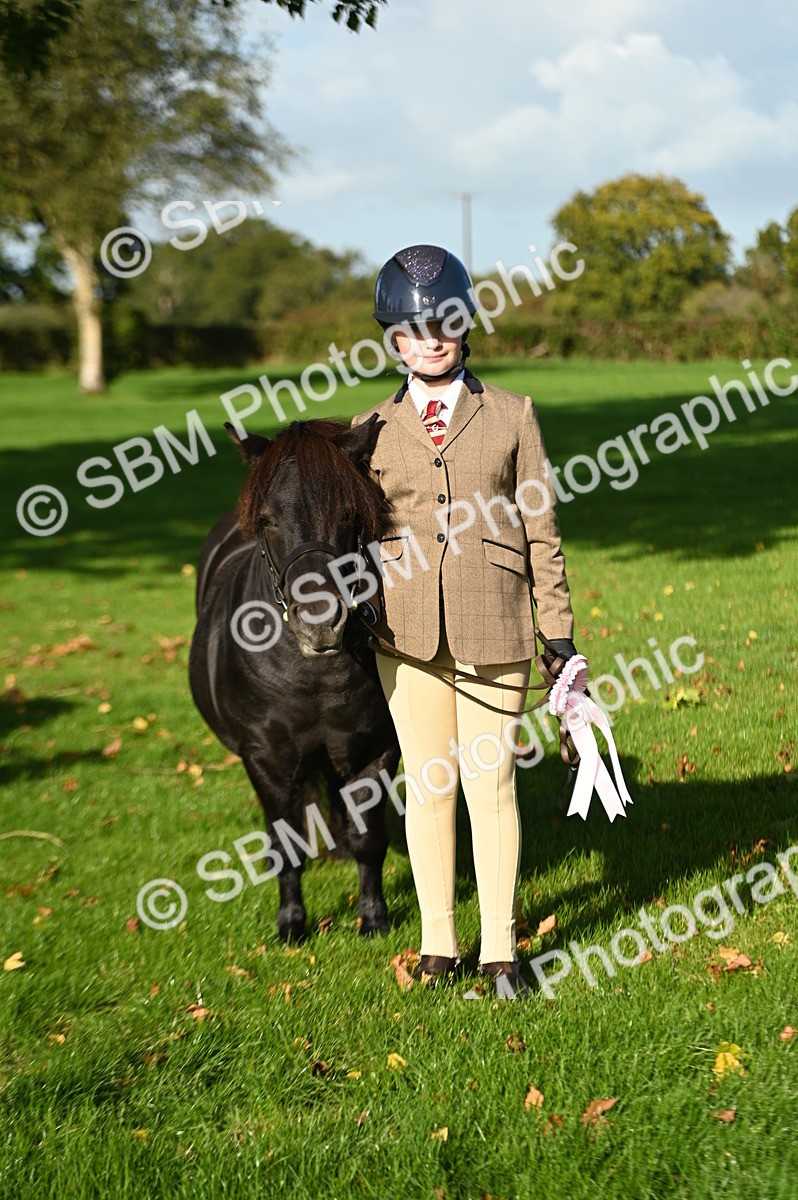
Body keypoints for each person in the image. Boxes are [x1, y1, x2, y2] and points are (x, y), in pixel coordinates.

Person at [350, 245, 577, 999]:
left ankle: (502, 950)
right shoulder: (369, 427)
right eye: (414, 330)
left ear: (466, 326)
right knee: (428, 786)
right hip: (406, 635)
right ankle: (439, 943)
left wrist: (559, 631)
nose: (431, 341)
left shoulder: (513, 414)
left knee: (491, 783)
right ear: (394, 339)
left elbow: (542, 530)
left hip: (495, 623)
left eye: (445, 324)